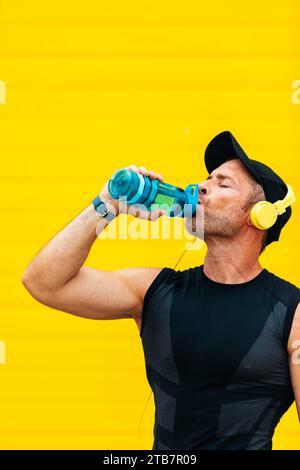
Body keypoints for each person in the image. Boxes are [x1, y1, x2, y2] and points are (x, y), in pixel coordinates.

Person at [22, 130, 300, 450]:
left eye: (223, 183)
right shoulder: (155, 290)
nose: (203, 186)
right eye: (207, 178)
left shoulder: (292, 312)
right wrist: (107, 206)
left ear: (260, 215)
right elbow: (44, 283)